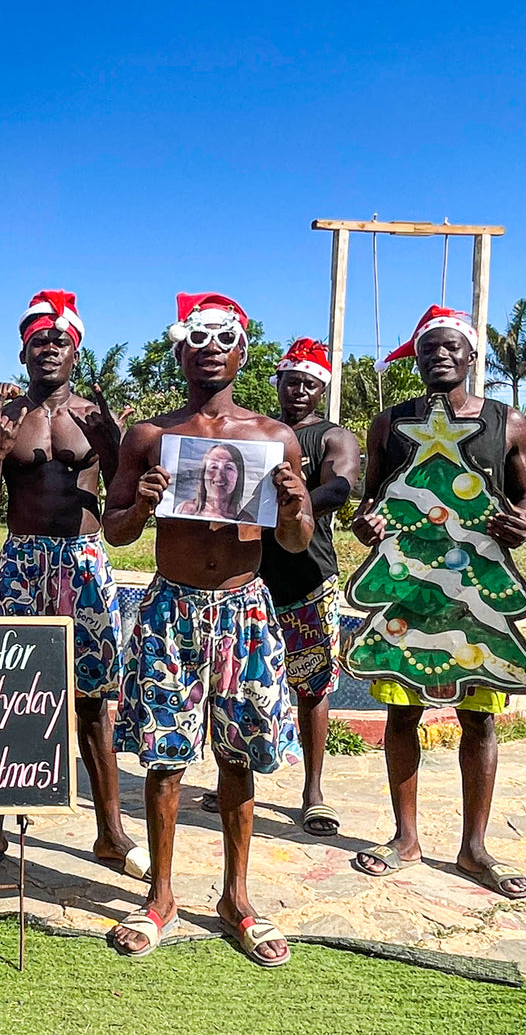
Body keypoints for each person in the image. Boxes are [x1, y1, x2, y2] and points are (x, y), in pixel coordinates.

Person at [104, 292, 311, 967]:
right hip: (171, 608)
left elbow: (293, 538)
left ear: (242, 350)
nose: (211, 348)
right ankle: (160, 895)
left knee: (237, 756)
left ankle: (235, 896)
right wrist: (138, 501)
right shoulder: (149, 437)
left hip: (243, 609)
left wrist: (295, 505)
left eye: (224, 338)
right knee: (164, 758)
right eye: (198, 338)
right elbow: (116, 532)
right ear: (180, 350)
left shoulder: (272, 437)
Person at [351, 306, 526, 899]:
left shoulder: (508, 423)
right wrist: (368, 525)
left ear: (470, 355)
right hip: (407, 588)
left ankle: (473, 847)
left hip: (474, 597)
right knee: (401, 713)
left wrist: (523, 524)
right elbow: (369, 501)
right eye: (429, 348)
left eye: (451, 347)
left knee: (478, 718)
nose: (441, 356)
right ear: (418, 357)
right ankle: (405, 837)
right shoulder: (390, 424)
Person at [0, 290, 143, 882]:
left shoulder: (98, 417)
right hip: (21, 561)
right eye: (37, 340)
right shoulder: (2, 419)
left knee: (93, 700)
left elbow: (122, 503)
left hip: (83, 561)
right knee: (5, 692)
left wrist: (114, 445)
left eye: (58, 340)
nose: (48, 348)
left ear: (75, 349)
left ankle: (110, 832)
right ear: (22, 352)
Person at [199, 339, 361, 834]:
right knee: (236, 683)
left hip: (309, 578)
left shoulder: (333, 437)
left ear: (321, 389)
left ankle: (313, 791)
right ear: (279, 382)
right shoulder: (258, 434)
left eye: (310, 383)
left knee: (312, 686)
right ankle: (234, 776)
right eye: (292, 381)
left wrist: (290, 505)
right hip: (251, 579)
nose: (299, 390)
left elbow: (342, 485)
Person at [177, 442, 251, 522]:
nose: (219, 476)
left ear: (238, 476)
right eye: (214, 467)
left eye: (228, 467)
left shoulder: (246, 520)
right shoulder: (184, 510)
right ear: (203, 474)